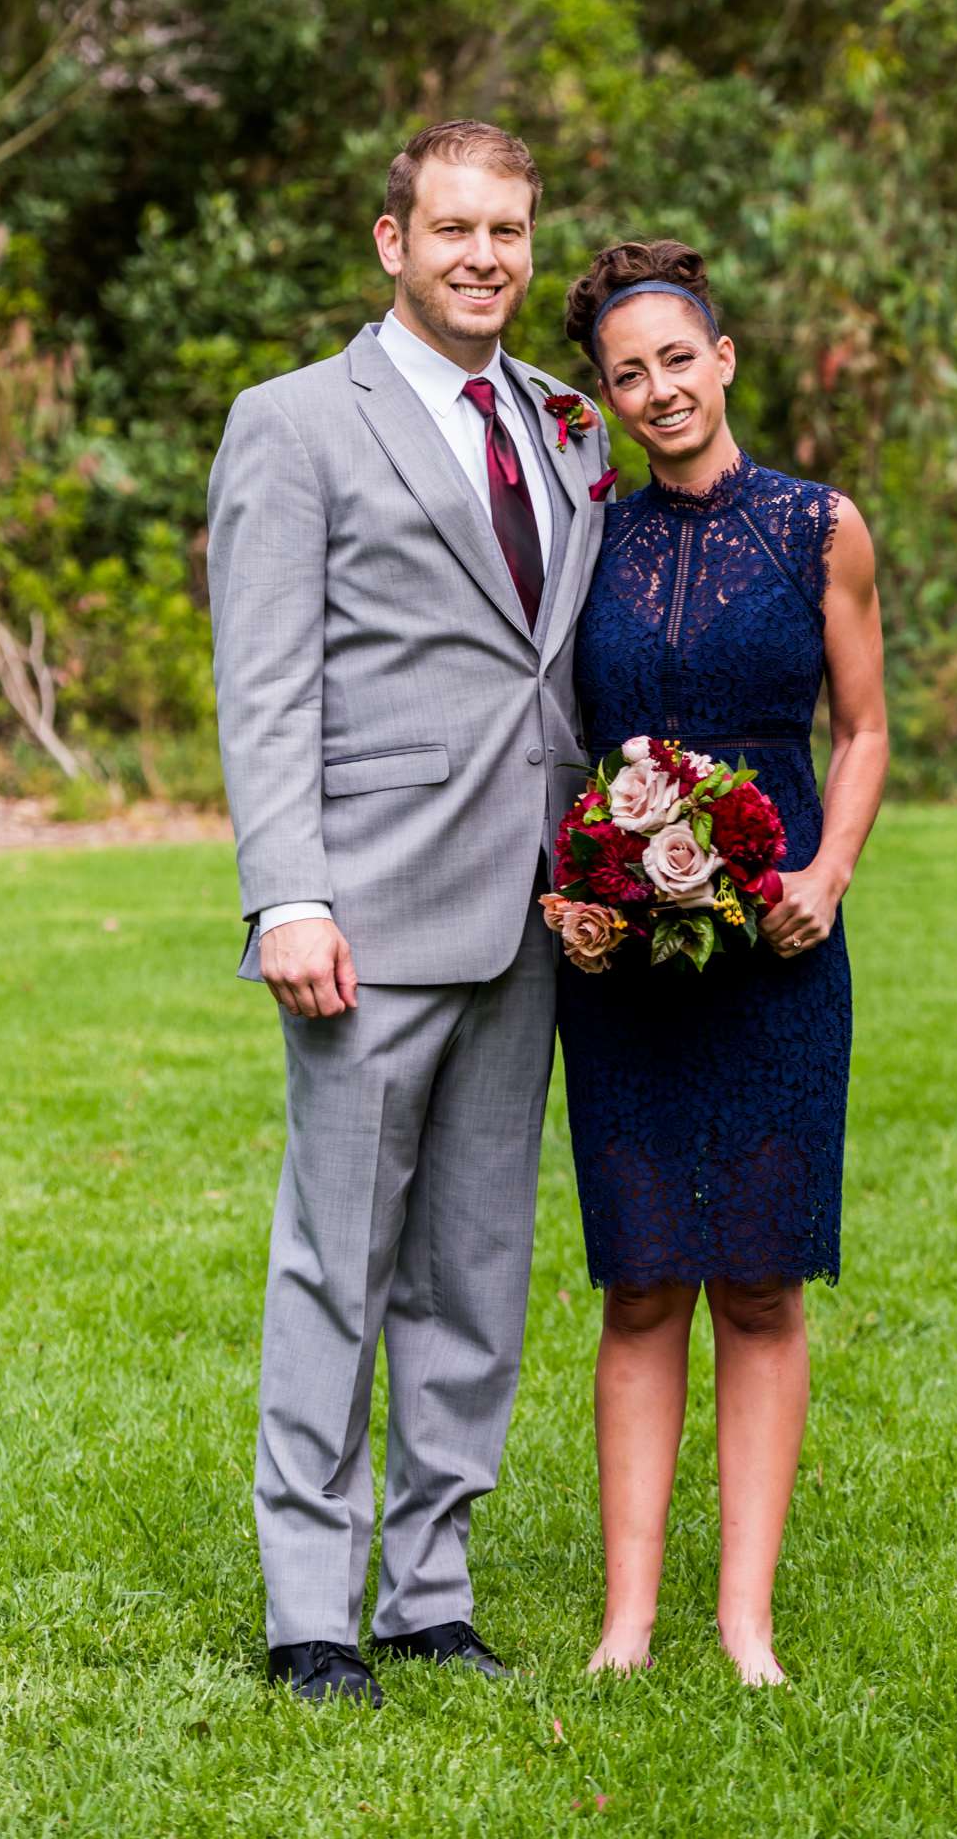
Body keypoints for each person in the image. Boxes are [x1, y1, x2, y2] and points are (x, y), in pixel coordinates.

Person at [206, 120, 611, 1709]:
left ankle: (429, 1588)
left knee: (478, 1261)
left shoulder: (565, 426)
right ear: (393, 242)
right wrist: (288, 893)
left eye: (509, 231)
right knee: (338, 1261)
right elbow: (265, 679)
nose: (485, 257)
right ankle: (313, 1609)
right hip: (363, 917)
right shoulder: (296, 423)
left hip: (534, 916)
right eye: (453, 228)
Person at [555, 239, 888, 1687]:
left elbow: (866, 729)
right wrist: (566, 893)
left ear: (726, 357)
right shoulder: (593, 539)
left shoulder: (821, 526)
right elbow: (554, 746)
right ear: (611, 398)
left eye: (676, 359)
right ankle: (627, 1623)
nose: (657, 390)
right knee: (640, 1285)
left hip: (778, 950)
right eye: (628, 375)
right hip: (622, 961)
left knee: (760, 1282)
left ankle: (741, 1620)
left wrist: (827, 873)